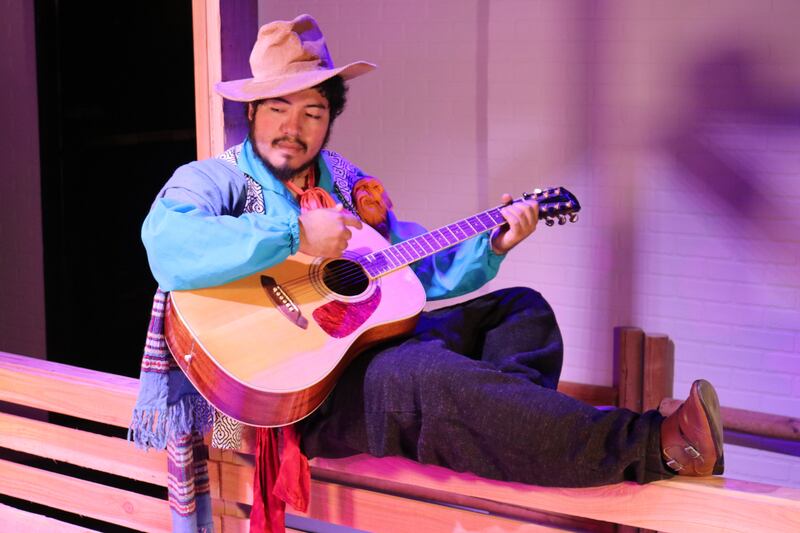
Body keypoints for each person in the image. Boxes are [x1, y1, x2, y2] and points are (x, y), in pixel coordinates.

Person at [134, 13, 724, 530]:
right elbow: (167, 245)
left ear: (330, 118)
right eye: (278, 108)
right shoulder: (214, 179)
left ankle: (498, 429)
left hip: (361, 347)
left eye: (313, 110)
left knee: (523, 311)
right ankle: (656, 446)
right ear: (253, 111)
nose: (294, 126)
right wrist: (292, 234)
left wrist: (491, 242)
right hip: (282, 401)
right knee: (424, 375)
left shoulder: (345, 182)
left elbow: (416, 271)